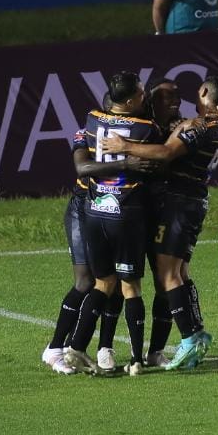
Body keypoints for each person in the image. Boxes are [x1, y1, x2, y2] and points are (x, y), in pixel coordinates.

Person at [101, 75, 218, 370]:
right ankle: (195, 331)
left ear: (203, 92)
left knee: (167, 276)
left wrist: (124, 146)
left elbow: (166, 153)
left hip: (178, 204)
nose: (175, 101)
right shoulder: (208, 124)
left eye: (178, 95)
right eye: (166, 96)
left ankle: (184, 340)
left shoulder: (193, 127)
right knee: (176, 273)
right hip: (176, 204)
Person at [40, 99, 157, 375]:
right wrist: (128, 162)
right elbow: (83, 168)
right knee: (87, 281)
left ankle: (104, 349)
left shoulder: (125, 133)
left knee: (114, 282)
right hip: (84, 205)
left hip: (110, 206)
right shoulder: (87, 132)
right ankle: (56, 348)